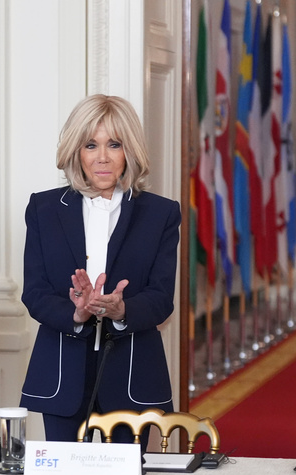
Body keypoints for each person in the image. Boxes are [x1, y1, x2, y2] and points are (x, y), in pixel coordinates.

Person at [19, 94, 180, 448]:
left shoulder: (161, 214)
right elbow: (35, 292)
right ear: (77, 150)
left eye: (115, 144)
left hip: (132, 370)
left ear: (130, 151)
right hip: (61, 370)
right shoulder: (44, 208)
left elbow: (160, 297)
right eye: (91, 145)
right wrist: (74, 312)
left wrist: (123, 311)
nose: (103, 157)